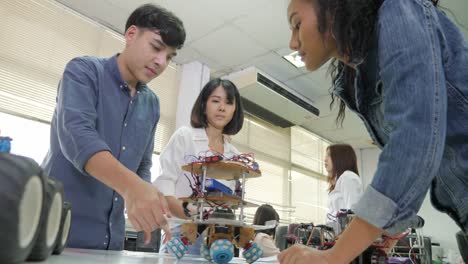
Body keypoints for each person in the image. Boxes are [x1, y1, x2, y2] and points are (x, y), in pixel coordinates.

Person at [279, 0, 468, 263]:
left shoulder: (398, 8)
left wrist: (334, 256)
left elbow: (414, 141)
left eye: (297, 24)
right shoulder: (354, 76)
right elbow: (425, 157)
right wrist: (386, 227)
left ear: (334, 8)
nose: (293, 42)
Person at [41, 4, 186, 250]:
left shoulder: (151, 103)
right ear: (131, 35)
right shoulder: (84, 71)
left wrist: (147, 203)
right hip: (57, 233)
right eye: (156, 47)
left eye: (170, 56)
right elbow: (78, 137)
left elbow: (143, 166)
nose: (162, 62)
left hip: (111, 242)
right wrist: (133, 188)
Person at [153, 78, 244, 255]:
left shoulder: (234, 155)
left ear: (235, 110)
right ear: (203, 105)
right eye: (215, 101)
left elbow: (227, 202)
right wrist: (193, 219)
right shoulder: (185, 136)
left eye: (228, 102)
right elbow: (165, 186)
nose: (222, 108)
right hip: (182, 233)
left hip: (219, 238)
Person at [324, 144, 362, 232]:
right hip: (336, 234)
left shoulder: (348, 177)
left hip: (344, 235)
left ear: (340, 158)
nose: (325, 159)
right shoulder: (340, 180)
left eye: (329, 155)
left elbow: (352, 213)